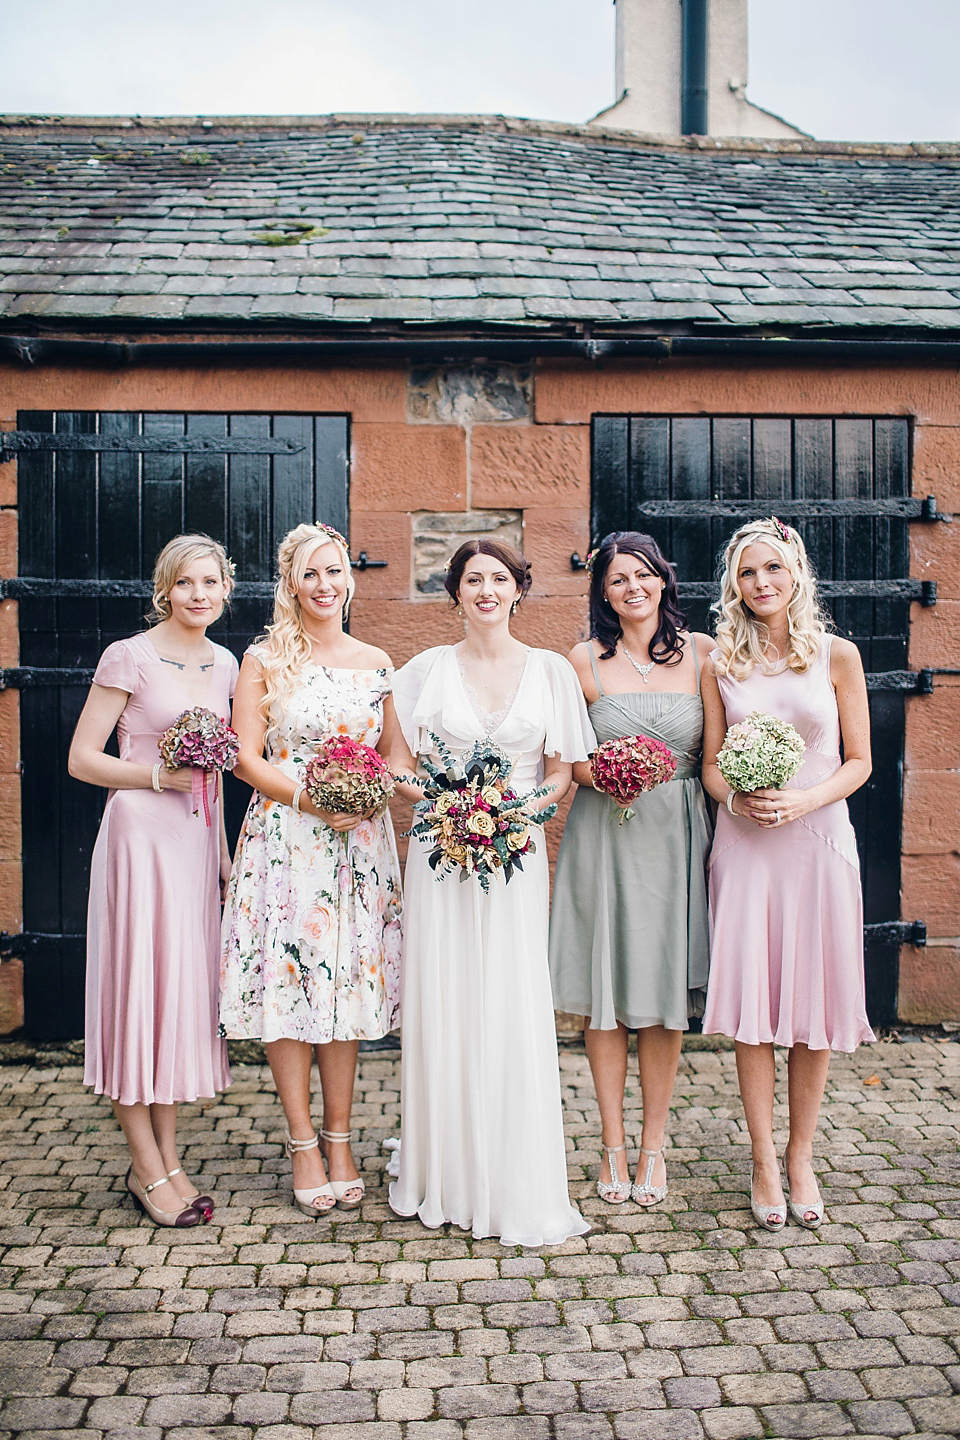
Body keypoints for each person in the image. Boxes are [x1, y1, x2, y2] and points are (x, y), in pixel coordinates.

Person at [387, 538, 593, 1247]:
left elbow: (563, 772)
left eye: (497, 578)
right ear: (455, 593)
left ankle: (511, 1174)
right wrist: (445, 806)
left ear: (517, 590)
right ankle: (443, 1171)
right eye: (471, 579)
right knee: (445, 998)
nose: (484, 589)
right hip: (440, 855)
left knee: (508, 998)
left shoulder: (552, 672)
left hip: (516, 854)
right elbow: (398, 767)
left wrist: (517, 816)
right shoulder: (421, 673)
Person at [219, 522, 402, 1217]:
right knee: (290, 984)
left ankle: (341, 1138)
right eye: (311, 574)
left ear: (348, 578)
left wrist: (376, 793)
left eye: (335, 572)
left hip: (358, 844)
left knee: (346, 989)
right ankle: (301, 1143)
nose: (325, 586)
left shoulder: (376, 660)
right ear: (291, 584)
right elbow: (245, 756)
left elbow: (391, 753)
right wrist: (309, 796)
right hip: (288, 839)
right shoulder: (265, 659)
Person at [700, 517, 873, 1231]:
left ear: (797, 573)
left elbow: (858, 760)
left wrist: (805, 796)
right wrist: (736, 796)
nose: (761, 583)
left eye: (773, 569)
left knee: (811, 1009)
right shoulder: (721, 664)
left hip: (818, 841)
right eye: (747, 573)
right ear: (733, 586)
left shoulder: (837, 656)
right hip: (745, 849)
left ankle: (802, 1155)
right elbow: (710, 766)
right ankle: (764, 1160)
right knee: (753, 1013)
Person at [68, 534, 238, 1227]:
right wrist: (153, 775)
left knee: (173, 999)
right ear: (164, 590)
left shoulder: (227, 663)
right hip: (139, 835)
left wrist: (224, 856)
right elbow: (82, 757)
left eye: (211, 582)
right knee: (137, 994)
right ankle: (146, 1166)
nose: (199, 595)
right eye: (185, 583)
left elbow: (219, 772)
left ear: (226, 590)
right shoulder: (128, 656)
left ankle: (168, 1159)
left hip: (195, 843)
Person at [549, 532, 712, 1208]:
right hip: (604, 833)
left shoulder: (704, 653)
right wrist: (604, 772)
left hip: (675, 832)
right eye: (618, 580)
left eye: (642, 575)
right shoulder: (580, 662)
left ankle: (653, 1147)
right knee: (607, 998)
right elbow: (561, 759)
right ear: (603, 593)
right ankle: (612, 1144)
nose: (632, 588)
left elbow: (718, 752)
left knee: (663, 1000)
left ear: (663, 581)